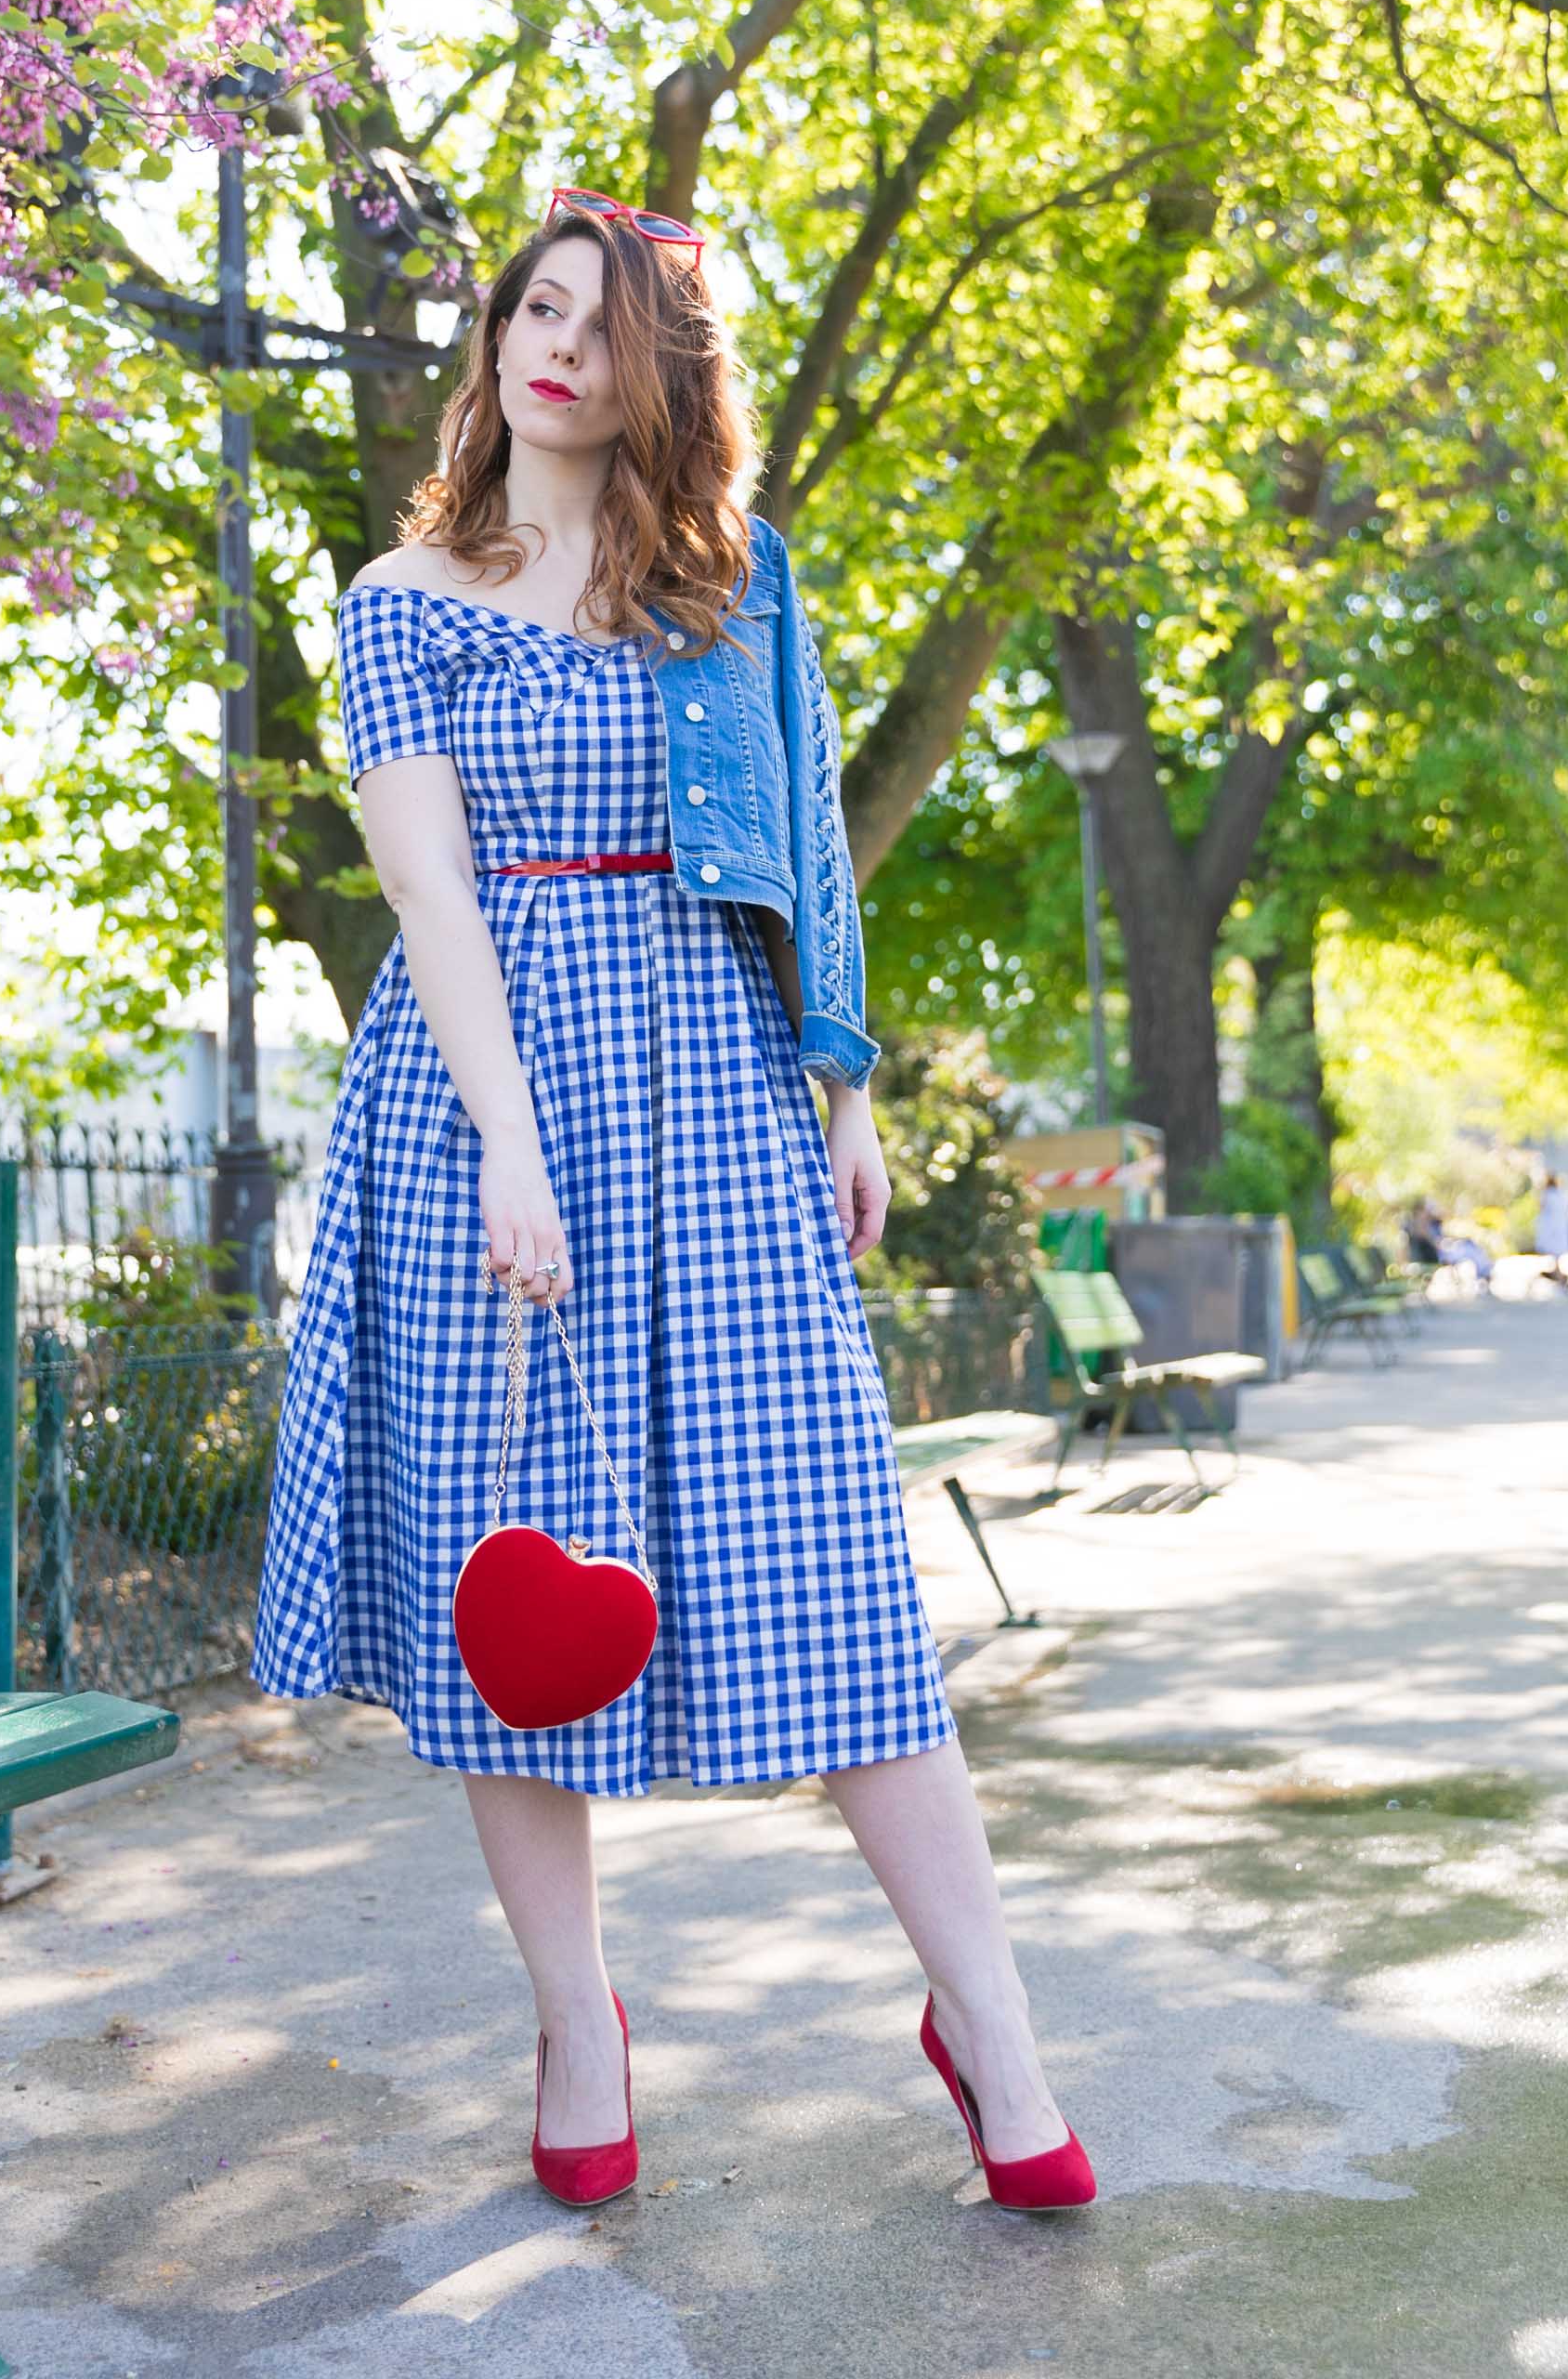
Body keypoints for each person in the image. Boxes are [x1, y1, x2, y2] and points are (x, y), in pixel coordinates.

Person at [250, 190, 1093, 2217]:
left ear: (657, 371)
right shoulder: (399, 598)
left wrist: (845, 1081)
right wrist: (513, 1145)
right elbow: (428, 895)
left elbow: (805, 834)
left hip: (717, 1082)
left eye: (600, 325)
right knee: (503, 1571)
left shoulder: (733, 589)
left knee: (829, 1567)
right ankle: (573, 2015)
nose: (553, 347)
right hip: (484, 1101)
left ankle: (989, 2022)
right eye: (530, 311)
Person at [1534, 1171, 1568, 1292]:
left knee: (1553, 1253)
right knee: (1557, 1254)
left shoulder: (1547, 1195)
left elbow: (1541, 1208)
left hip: (1551, 1227)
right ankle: (1559, 1276)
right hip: (1561, 1226)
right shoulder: (1562, 1194)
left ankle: (1560, 1279)